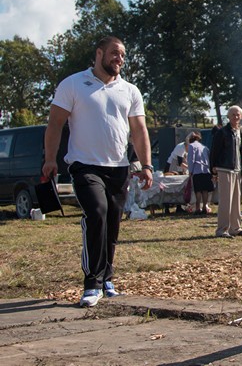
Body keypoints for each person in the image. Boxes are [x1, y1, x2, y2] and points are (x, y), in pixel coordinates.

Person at [42, 36, 153, 307]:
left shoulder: (129, 90)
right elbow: (55, 124)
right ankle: (92, 283)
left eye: (123, 55)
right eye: (115, 53)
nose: (120, 59)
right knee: (97, 213)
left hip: (118, 167)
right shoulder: (73, 84)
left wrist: (147, 165)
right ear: (99, 53)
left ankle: (107, 279)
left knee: (113, 222)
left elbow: (139, 130)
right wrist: (50, 159)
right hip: (84, 165)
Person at [210, 106, 242, 238]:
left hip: (237, 169)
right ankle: (222, 230)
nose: (236, 117)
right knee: (226, 201)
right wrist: (213, 167)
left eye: (238, 114)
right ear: (228, 116)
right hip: (225, 168)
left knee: (236, 201)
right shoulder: (222, 132)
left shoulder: (241, 132)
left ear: (241, 116)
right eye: (233, 114)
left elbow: (241, 152)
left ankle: (236, 228)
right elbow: (214, 150)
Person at [187, 130, 213, 214]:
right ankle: (205, 207)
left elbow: (191, 159)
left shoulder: (191, 146)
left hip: (197, 170)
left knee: (198, 190)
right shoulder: (205, 147)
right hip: (206, 170)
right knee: (205, 190)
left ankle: (198, 208)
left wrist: (190, 171)